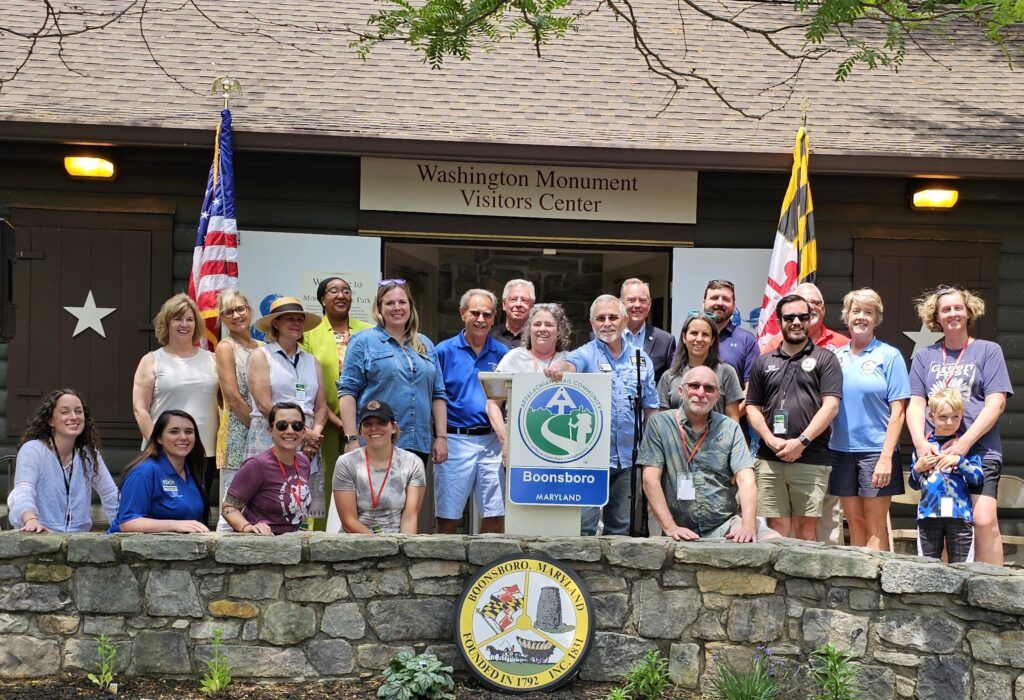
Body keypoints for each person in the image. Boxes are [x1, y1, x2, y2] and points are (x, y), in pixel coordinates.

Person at [907, 286, 1012, 566]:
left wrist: (964, 444)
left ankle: (993, 589)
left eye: (958, 308)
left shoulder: (988, 351)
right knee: (943, 520)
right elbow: (916, 405)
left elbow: (996, 403)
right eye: (946, 309)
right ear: (936, 317)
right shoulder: (924, 356)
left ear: (968, 312)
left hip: (979, 449)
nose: (952, 314)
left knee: (983, 519)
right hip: (937, 451)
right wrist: (921, 444)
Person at [546, 294, 658, 536]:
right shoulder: (586, 354)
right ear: (592, 323)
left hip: (628, 459)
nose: (607, 323)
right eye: (600, 318)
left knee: (620, 529)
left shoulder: (641, 359)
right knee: (583, 527)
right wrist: (559, 368)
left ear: (625, 320)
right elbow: (569, 364)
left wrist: (648, 448)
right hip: (590, 461)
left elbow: (651, 407)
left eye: (613, 317)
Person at [639, 367, 777, 542]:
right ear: (681, 391)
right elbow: (650, 479)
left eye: (709, 388)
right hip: (678, 526)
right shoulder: (659, 424)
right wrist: (670, 527)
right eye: (694, 386)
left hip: (725, 524)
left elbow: (747, 479)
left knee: (772, 539)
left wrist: (748, 527)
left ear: (717, 396)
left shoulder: (730, 428)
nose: (701, 393)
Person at [746, 294, 842, 541]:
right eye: (790, 317)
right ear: (779, 321)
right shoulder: (763, 361)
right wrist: (768, 439)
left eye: (803, 316)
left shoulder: (826, 359)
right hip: (770, 457)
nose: (797, 322)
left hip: (810, 457)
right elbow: (752, 407)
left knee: (806, 529)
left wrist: (801, 441)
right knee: (774, 529)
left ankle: (804, 581)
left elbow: (830, 406)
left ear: (811, 319)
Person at [828, 289, 909, 551]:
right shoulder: (835, 357)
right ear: (846, 317)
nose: (861, 317)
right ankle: (857, 586)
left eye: (868, 312)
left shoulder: (889, 356)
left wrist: (886, 457)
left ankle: (877, 587)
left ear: (876, 318)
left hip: (876, 452)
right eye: (856, 311)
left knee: (875, 524)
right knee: (854, 521)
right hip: (840, 451)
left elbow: (899, 411)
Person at [339, 280, 447, 468]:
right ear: (379, 308)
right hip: (376, 441)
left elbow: (438, 394)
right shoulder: (363, 341)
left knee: (411, 498)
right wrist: (351, 439)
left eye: (402, 302)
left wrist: (441, 437)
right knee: (375, 497)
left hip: (417, 442)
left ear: (410, 306)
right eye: (389, 303)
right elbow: (347, 392)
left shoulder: (426, 344)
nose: (397, 308)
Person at [301, 276, 374, 529]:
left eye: (346, 291)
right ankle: (318, 542)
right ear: (322, 299)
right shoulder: (309, 335)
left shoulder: (369, 331)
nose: (341, 295)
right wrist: (338, 420)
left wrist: (354, 423)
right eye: (333, 291)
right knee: (323, 487)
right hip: (325, 423)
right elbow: (308, 381)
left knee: (365, 487)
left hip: (366, 424)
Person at [435, 289, 508, 533]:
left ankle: (490, 569)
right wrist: (440, 438)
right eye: (475, 313)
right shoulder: (444, 351)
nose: (481, 319)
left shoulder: (502, 353)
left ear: (494, 316)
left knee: (495, 513)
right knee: (448, 515)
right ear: (462, 313)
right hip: (455, 439)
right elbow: (437, 397)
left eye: (487, 314)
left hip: (492, 441)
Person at [131, 293, 219, 496]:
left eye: (189, 319)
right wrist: (157, 443)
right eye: (178, 319)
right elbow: (140, 408)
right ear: (166, 323)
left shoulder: (213, 360)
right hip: (164, 452)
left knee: (199, 514)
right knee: (165, 511)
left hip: (205, 452)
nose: (184, 324)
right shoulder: (152, 360)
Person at [8, 389, 119, 532]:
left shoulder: (89, 454)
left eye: (78, 411)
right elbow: (23, 490)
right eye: (65, 412)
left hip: (79, 540)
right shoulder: (33, 450)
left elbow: (110, 494)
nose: (73, 417)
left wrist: (123, 523)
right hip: (40, 535)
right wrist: (31, 520)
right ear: (50, 420)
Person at [245, 296, 327, 472]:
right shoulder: (261, 355)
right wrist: (302, 431)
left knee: (305, 495)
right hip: (273, 433)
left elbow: (321, 407)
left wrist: (315, 434)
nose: (296, 323)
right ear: (276, 323)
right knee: (270, 493)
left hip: (308, 442)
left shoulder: (312, 361)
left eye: (300, 319)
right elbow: (263, 404)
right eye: (290, 318)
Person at [486, 303, 573, 455]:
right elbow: (492, 404)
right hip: (519, 445)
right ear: (529, 329)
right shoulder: (514, 357)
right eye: (537, 324)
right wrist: (505, 441)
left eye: (549, 324)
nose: (542, 329)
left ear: (559, 331)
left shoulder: (568, 361)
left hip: (558, 446)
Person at [909, 388, 984, 563]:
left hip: (960, 515)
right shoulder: (924, 447)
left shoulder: (966, 447)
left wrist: (959, 460)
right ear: (931, 416)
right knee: (927, 566)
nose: (949, 422)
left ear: (962, 416)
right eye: (943, 417)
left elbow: (978, 479)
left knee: (963, 568)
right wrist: (918, 468)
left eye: (955, 417)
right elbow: (914, 484)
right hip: (929, 514)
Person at [333, 400, 426, 534]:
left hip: (397, 544)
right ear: (360, 430)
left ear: (393, 427)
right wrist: (380, 545)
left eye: (381, 422)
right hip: (355, 543)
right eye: (367, 424)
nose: (374, 428)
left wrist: (403, 549)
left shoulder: (413, 463)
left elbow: (410, 518)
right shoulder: (346, 463)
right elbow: (349, 521)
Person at [109, 410, 209, 533]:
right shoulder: (144, 473)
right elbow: (128, 523)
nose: (183, 437)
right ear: (159, 438)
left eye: (189, 431)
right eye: (174, 431)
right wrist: (175, 525)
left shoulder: (192, 470)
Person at [213, 290, 263, 532]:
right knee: (232, 502)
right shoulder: (226, 347)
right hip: (238, 432)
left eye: (240, 308)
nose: (236, 315)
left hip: (263, 432)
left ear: (249, 310)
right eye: (229, 311)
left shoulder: (263, 347)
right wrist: (257, 427)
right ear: (222, 318)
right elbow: (232, 396)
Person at [221, 402, 311, 535]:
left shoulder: (304, 462)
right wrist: (247, 527)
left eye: (297, 425)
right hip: (262, 544)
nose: (290, 431)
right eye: (282, 425)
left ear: (304, 432)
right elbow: (229, 508)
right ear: (270, 431)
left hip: (293, 543)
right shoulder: (256, 465)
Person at [656, 312, 742, 422]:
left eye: (705, 334)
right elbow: (663, 422)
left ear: (712, 340)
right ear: (684, 337)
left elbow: (733, 419)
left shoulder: (727, 372)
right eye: (694, 333)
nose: (699, 339)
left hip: (717, 439)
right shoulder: (669, 376)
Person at [760, 282, 850, 355]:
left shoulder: (843, 343)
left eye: (815, 302)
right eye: (803, 302)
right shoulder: (775, 344)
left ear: (823, 309)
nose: (810, 307)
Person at [703, 279, 759, 385]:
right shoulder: (691, 337)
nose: (719, 303)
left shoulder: (747, 340)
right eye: (714, 298)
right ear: (703, 303)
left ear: (734, 307)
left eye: (726, 299)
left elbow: (751, 390)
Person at [620, 278, 676, 382]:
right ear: (621, 304)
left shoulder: (665, 341)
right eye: (631, 300)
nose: (637, 305)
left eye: (642, 300)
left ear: (649, 304)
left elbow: (671, 383)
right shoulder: (606, 338)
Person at [489, 279, 535, 349]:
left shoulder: (537, 338)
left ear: (531, 307)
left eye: (524, 300)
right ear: (504, 304)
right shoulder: (489, 336)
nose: (518, 304)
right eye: (513, 299)